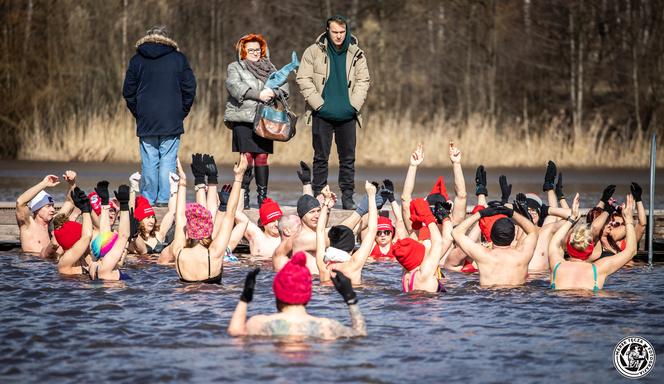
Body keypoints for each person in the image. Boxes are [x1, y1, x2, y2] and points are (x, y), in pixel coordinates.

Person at [296, 15, 371, 209]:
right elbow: (303, 78)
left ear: (346, 31)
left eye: (342, 32)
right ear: (327, 31)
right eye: (335, 32)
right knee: (320, 157)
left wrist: (353, 106)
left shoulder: (357, 53)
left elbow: (364, 80)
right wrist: (318, 105)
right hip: (322, 114)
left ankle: (348, 197)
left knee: (348, 159)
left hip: (348, 115)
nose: (338, 36)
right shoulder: (313, 51)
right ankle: (320, 196)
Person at [122, 25, 196, 206]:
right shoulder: (178, 59)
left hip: (146, 117)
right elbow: (190, 88)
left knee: (149, 159)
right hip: (171, 116)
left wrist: (138, 112)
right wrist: (181, 111)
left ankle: (147, 200)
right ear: (167, 39)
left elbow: (128, 91)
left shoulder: (137, 60)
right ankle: (164, 199)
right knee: (168, 159)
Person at [227, 252, 367, 339]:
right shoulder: (327, 327)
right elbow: (360, 334)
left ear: (277, 293)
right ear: (307, 295)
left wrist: (245, 298)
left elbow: (235, 332)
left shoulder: (258, 323)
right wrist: (350, 298)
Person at [224, 34, 290, 208]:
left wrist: (274, 93)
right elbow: (233, 86)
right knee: (246, 158)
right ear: (243, 51)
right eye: (250, 49)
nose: (254, 53)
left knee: (262, 157)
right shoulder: (235, 67)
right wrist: (258, 94)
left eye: (257, 49)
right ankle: (243, 196)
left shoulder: (271, 68)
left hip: (264, 119)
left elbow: (284, 87)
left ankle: (262, 198)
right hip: (243, 118)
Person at [170, 154, 247, 284]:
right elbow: (230, 214)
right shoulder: (215, 253)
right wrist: (239, 178)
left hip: (183, 302)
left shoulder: (178, 252)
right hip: (213, 303)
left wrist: (182, 183)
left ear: (189, 228)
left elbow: (180, 217)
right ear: (208, 226)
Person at [548, 194, 637, 290]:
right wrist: (628, 220)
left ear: (569, 246)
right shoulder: (598, 269)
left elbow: (554, 242)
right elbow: (631, 251)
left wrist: (572, 218)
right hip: (589, 303)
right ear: (591, 250)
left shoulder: (556, 266)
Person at [452, 205, 538, 287]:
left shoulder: (483, 255)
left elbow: (456, 232)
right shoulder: (522, 255)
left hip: (490, 297)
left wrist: (481, 213)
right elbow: (533, 231)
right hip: (517, 298)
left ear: (491, 236)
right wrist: (511, 213)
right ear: (512, 237)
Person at [315, 183, 377, 286]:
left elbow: (320, 231)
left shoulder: (323, 265)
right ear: (351, 248)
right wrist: (371, 196)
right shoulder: (353, 264)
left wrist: (326, 202)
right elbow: (372, 230)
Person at [392, 199, 453, 293]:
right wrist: (428, 217)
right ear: (418, 256)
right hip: (431, 304)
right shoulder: (424, 273)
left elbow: (411, 244)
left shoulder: (406, 273)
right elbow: (439, 242)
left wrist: (416, 225)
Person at [16, 172, 77, 256]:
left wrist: (72, 183)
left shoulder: (54, 222)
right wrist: (44, 184)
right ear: (37, 209)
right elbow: (20, 203)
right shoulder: (28, 225)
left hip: (50, 266)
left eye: (53, 206)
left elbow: (70, 202)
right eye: (48, 206)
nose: (53, 210)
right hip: (32, 264)